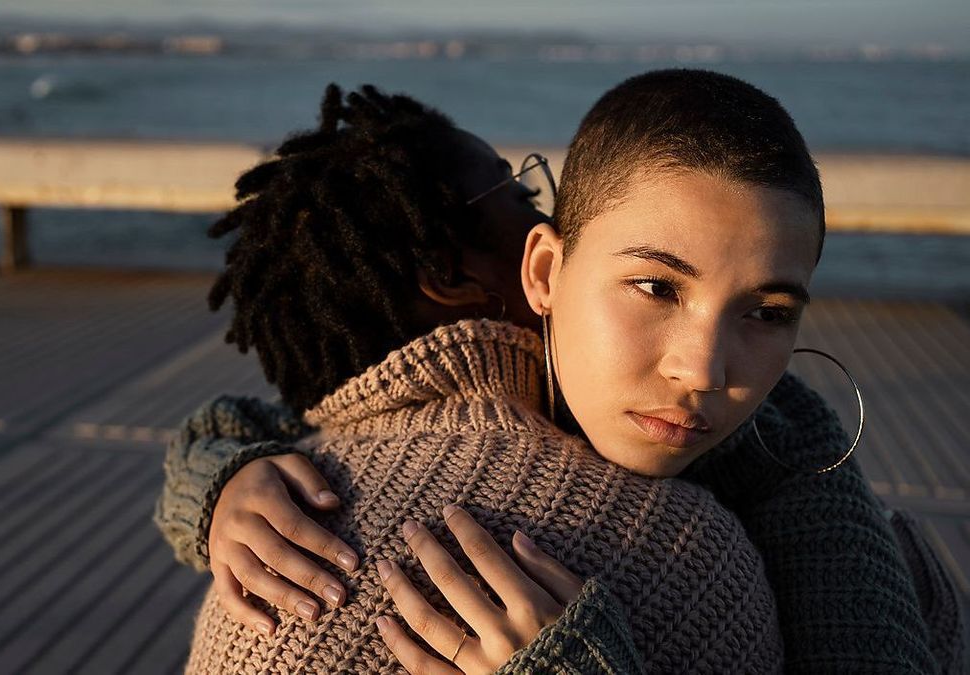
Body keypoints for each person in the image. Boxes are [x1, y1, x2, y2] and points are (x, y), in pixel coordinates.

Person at [158, 75, 963, 673]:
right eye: (655, 285)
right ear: (541, 270)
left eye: (768, 311)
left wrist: (223, 473)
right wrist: (222, 475)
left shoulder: (779, 446)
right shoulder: (697, 545)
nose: (703, 370)